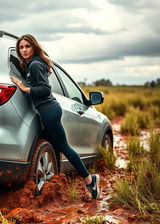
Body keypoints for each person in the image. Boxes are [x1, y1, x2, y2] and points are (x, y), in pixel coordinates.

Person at [10, 34, 100, 199]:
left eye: (27, 46)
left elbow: (45, 89)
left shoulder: (36, 65)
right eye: (21, 47)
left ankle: (90, 180)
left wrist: (25, 88)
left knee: (63, 147)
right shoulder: (33, 64)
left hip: (49, 110)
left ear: (34, 47)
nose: (24, 50)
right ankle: (89, 180)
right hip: (49, 110)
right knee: (62, 146)